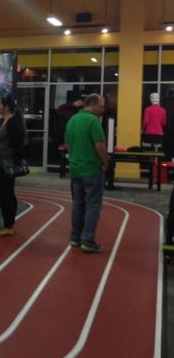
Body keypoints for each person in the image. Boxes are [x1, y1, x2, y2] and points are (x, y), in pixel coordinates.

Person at [65, 93, 107, 253]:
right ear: (93, 105)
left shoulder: (72, 119)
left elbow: (67, 144)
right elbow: (99, 144)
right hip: (91, 169)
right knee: (93, 204)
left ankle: (75, 238)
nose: (103, 110)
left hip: (75, 169)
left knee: (77, 204)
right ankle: (88, 241)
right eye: (101, 106)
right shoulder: (93, 121)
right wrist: (105, 162)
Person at [0, 96, 27, 237]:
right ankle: (9, 223)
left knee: (5, 194)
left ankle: (8, 226)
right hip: (2, 164)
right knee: (5, 193)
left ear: (6, 107)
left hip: (7, 165)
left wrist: (13, 161)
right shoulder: (6, 121)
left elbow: (17, 145)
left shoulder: (12, 123)